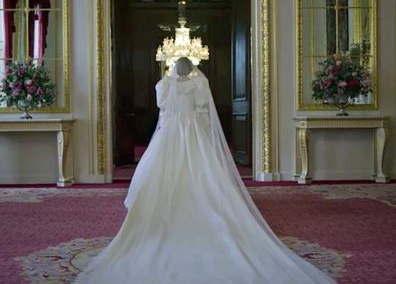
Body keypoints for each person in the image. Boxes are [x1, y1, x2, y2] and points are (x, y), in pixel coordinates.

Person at [75, 57, 336, 284]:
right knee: (202, 172)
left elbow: (163, 109)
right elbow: (201, 111)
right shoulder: (198, 84)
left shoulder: (163, 85)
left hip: (170, 133)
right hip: (192, 132)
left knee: (166, 170)